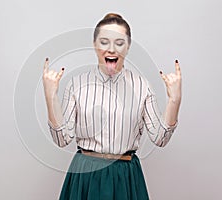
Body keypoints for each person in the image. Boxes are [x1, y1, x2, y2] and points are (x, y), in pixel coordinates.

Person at [42, 13, 182, 200]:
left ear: (128, 46)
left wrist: (175, 100)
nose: (111, 49)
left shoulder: (142, 86)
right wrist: (50, 96)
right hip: (86, 176)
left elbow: (160, 138)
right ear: (94, 44)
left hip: (125, 177)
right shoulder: (77, 84)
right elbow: (61, 139)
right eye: (104, 42)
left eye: (119, 42)